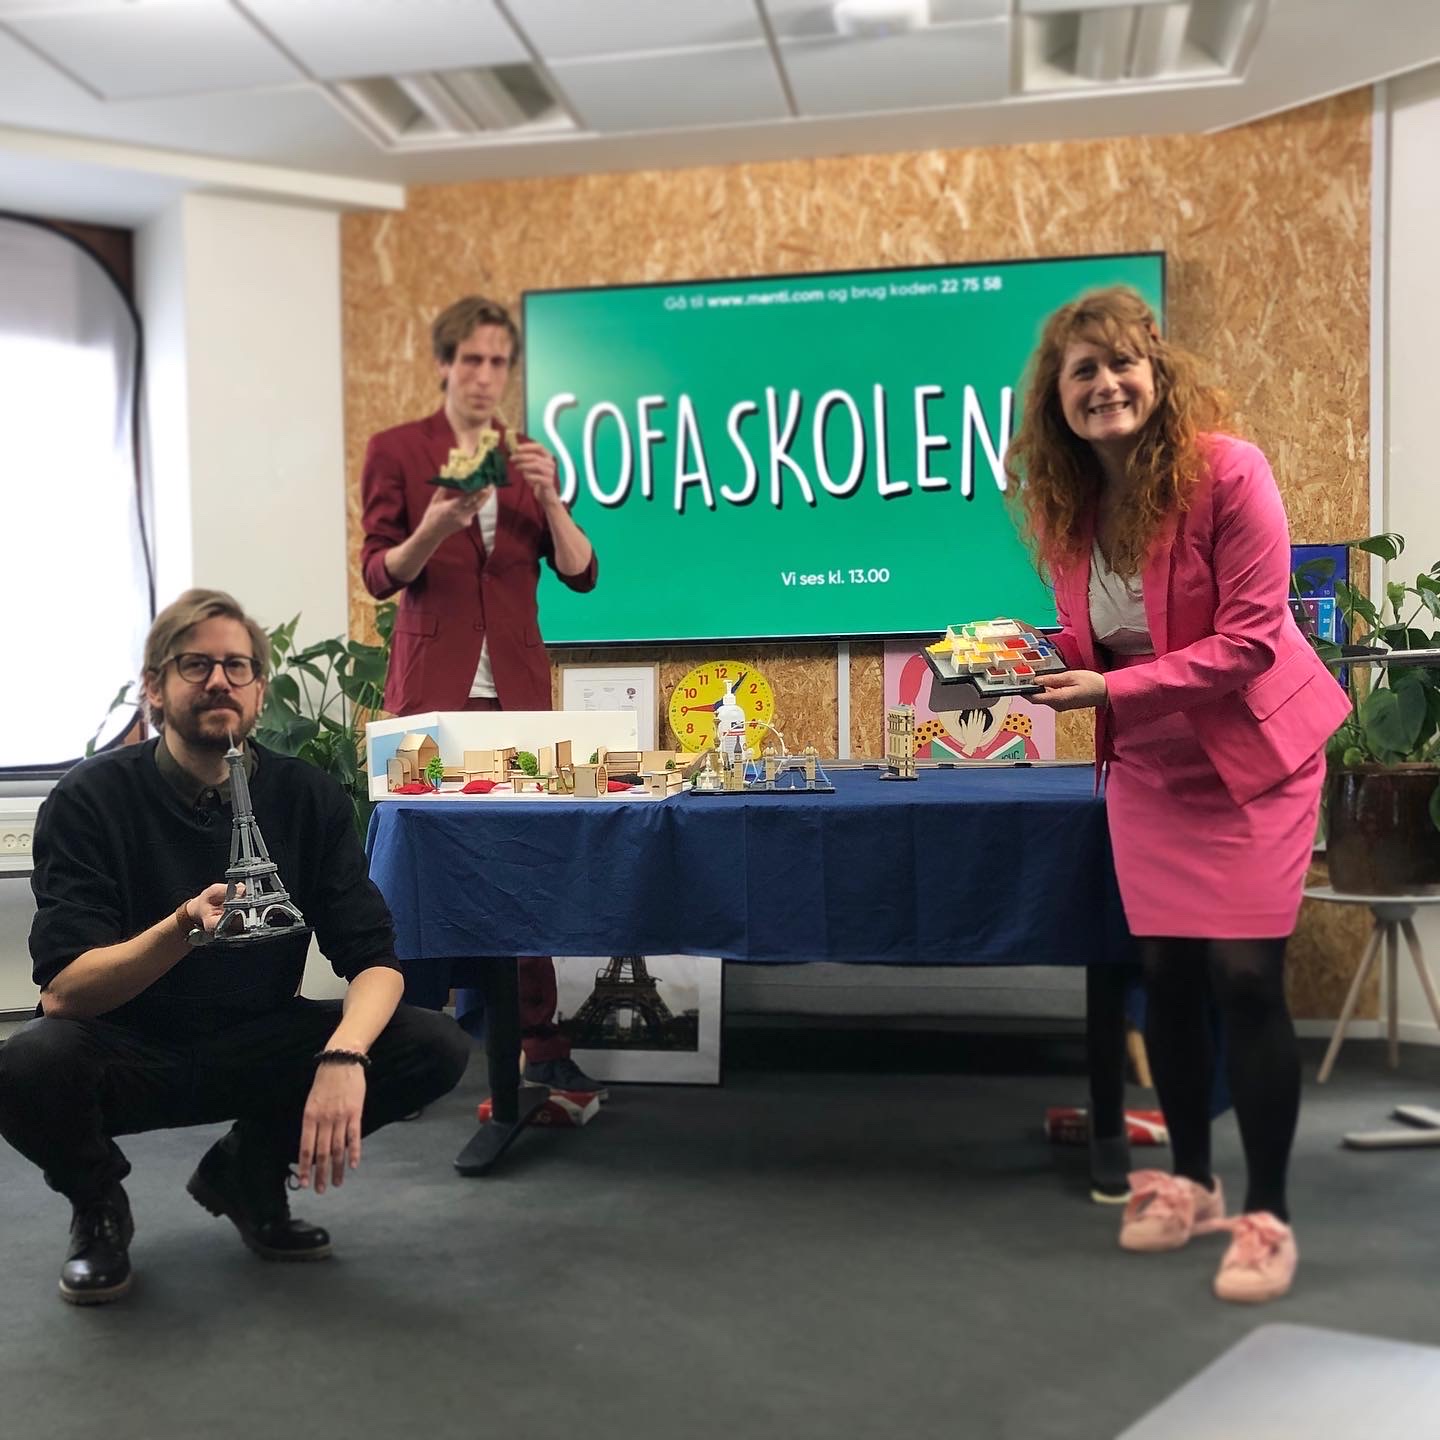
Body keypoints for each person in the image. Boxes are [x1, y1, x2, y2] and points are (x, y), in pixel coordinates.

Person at [1007, 286, 1351, 1304]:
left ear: (1156, 374)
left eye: (1122, 363)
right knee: (1164, 974)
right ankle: (1194, 1182)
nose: (1105, 385)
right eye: (1083, 371)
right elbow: (1095, 637)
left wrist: (1108, 689)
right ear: (1057, 397)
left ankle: (1268, 1213)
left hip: (1256, 762)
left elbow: (1249, 641)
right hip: (1152, 768)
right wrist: (1017, 658)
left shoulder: (1229, 473)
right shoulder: (1068, 506)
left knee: (1245, 978)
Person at [0, 590, 470, 1305]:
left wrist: (344, 1056)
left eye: (237, 666)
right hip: (129, 1051)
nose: (219, 680)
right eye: (196, 664)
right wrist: (181, 930)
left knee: (430, 1042)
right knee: (27, 1064)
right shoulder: (89, 800)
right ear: (154, 687)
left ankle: (249, 1171)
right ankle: (98, 1204)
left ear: (258, 690)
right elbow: (64, 993)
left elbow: (374, 961)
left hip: (258, 1038)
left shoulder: (306, 796)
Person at [359, 294, 602, 1094]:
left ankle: (540, 1038)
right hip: (428, 697)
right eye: (471, 360)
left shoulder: (529, 459)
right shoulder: (398, 450)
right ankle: (410, 1038)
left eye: (499, 362)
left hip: (519, 698)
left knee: (528, 865)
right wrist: (435, 523)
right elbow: (379, 573)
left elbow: (581, 574)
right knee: (416, 868)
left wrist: (553, 497)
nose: (485, 376)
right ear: (443, 365)